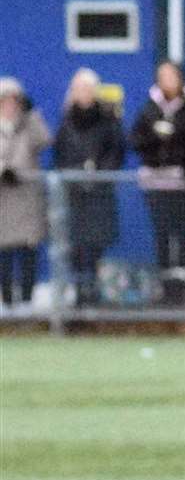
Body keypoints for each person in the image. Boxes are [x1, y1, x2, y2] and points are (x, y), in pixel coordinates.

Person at [53, 68, 125, 306]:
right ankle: (79, 296)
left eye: (87, 88)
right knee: (75, 249)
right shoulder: (66, 122)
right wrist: (75, 174)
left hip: (99, 195)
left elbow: (117, 151)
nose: (82, 93)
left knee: (95, 247)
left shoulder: (108, 119)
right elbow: (59, 155)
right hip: (74, 196)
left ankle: (93, 295)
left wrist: (98, 174)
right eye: (78, 88)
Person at [130, 60, 185, 299]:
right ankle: (165, 286)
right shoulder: (149, 109)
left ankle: (182, 288)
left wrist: (178, 150)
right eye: (162, 76)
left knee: (181, 234)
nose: (167, 81)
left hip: (181, 183)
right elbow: (136, 140)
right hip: (156, 183)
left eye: (171, 76)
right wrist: (155, 137)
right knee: (161, 234)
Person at [0, 77, 50, 309]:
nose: (9, 106)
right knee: (5, 253)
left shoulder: (29, 124)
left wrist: (32, 114)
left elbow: (45, 140)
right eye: (4, 101)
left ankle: (28, 300)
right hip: (4, 200)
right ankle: (7, 300)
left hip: (27, 199)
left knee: (28, 251)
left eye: (14, 101)